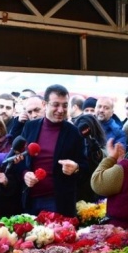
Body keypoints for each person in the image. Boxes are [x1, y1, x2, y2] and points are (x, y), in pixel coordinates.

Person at [16, 84, 88, 217]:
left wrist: (76, 167)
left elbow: (85, 166)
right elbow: (17, 157)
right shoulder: (30, 127)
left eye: (65, 105)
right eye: (56, 105)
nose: (61, 110)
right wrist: (25, 173)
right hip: (31, 199)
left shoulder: (73, 132)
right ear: (45, 104)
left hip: (59, 201)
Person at [73, 114, 106, 203]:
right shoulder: (73, 149)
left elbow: (103, 160)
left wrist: (95, 151)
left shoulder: (101, 149)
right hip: (78, 195)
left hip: (96, 196)